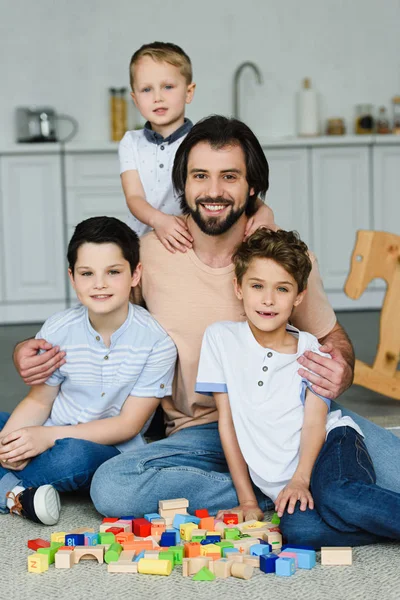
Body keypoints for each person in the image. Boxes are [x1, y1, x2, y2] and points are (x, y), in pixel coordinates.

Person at [13, 116, 400, 523]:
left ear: (252, 188)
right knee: (113, 488)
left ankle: (296, 484)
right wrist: (28, 350)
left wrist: (341, 368)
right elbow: (97, 312)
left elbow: (333, 337)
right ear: (183, 184)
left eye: (229, 177)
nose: (213, 191)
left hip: (291, 419)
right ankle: (273, 493)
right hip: (203, 432)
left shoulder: (282, 258)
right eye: (200, 176)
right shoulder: (152, 253)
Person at [196, 227, 400, 548]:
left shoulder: (312, 350)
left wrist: (301, 480)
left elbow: (315, 422)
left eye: (282, 289)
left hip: (331, 446)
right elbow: (228, 422)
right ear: (238, 288)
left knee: (336, 494)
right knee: (299, 531)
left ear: (299, 296)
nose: (268, 299)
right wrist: (248, 500)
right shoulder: (220, 339)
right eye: (257, 286)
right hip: (280, 481)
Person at [0, 216, 176, 525]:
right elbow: (40, 402)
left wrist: (45, 437)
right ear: (72, 278)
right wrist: (10, 444)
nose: (99, 284)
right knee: (6, 428)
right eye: (87, 273)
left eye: (113, 272)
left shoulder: (157, 342)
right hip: (51, 426)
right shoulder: (58, 328)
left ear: (135, 274)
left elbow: (127, 425)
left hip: (102, 448)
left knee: (72, 457)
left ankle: (8, 487)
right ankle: (17, 492)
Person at [119, 41, 273, 252]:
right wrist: (160, 221)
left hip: (190, 242)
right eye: (146, 89)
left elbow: (231, 188)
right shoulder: (131, 142)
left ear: (189, 92)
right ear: (135, 99)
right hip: (141, 241)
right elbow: (134, 197)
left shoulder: (199, 142)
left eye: (168, 87)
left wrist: (265, 211)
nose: (157, 97)